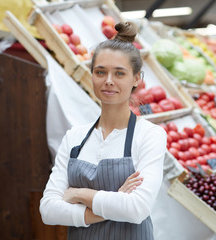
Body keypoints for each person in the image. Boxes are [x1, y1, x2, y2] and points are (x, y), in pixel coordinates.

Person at [40, 22, 167, 240]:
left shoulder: (149, 135)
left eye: (119, 73)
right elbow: (48, 211)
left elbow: (137, 209)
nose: (108, 81)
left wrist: (80, 194)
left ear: (136, 79)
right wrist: (113, 202)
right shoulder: (75, 138)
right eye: (101, 72)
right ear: (92, 75)